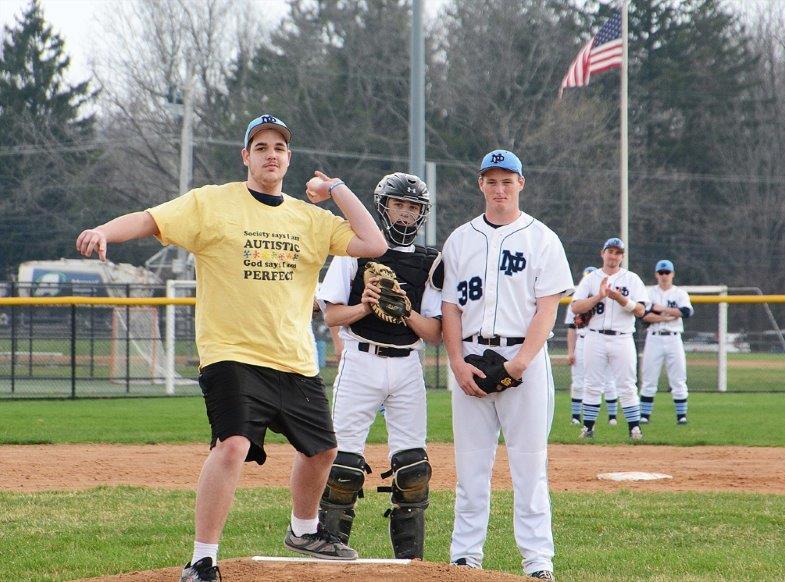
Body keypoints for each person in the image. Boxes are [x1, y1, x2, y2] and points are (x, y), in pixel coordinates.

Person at [75, 114, 388, 582]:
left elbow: (374, 243)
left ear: (289, 158)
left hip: (295, 360)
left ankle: (304, 531)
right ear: (246, 156)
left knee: (322, 451)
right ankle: (202, 559)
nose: (270, 154)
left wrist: (337, 188)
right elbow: (148, 219)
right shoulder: (212, 203)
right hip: (231, 354)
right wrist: (104, 231)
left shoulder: (310, 219)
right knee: (233, 445)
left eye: (279, 148)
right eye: (260, 147)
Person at [441, 149, 573, 580]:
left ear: (521, 183)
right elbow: (451, 309)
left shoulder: (543, 238)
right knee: (471, 467)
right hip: (473, 358)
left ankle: (538, 563)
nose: (499, 189)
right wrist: (457, 363)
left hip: (526, 361)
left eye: (507, 180)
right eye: (491, 180)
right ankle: (465, 558)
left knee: (530, 467)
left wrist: (519, 364)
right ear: (480, 184)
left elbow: (547, 311)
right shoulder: (460, 238)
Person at [315, 172, 442, 559]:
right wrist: (367, 306)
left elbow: (433, 332)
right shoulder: (356, 249)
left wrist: (405, 312)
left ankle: (410, 563)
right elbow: (332, 316)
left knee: (413, 469)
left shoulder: (430, 262)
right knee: (344, 469)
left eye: (413, 207)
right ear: (382, 207)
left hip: (407, 367)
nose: (405, 214)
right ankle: (333, 551)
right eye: (398, 205)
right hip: (361, 361)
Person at [570, 238, 649, 441]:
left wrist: (619, 298)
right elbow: (575, 307)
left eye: (617, 252)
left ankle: (634, 428)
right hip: (594, 336)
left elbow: (641, 311)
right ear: (602, 253)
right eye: (610, 251)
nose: (613, 255)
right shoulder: (590, 279)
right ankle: (588, 428)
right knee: (592, 384)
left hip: (622, 337)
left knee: (626, 385)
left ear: (622, 256)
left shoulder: (632, 279)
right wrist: (598, 296)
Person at [639, 259, 694, 424]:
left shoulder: (680, 293)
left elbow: (686, 311)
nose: (664, 276)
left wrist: (661, 309)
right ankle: (644, 416)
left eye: (667, 272)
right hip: (654, 337)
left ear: (672, 274)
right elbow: (644, 315)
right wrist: (667, 317)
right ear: (656, 274)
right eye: (661, 272)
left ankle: (681, 416)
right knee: (649, 378)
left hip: (673, 338)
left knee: (678, 378)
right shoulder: (649, 293)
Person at [565, 266, 619, 426]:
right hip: (582, 341)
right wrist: (570, 351)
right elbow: (571, 328)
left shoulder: (608, 299)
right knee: (579, 380)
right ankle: (576, 416)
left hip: (602, 339)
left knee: (609, 379)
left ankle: (612, 417)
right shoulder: (576, 303)